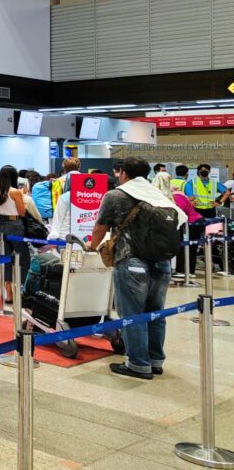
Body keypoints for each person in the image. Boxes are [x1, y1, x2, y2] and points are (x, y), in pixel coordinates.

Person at [90, 157, 184, 379]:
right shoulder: (158, 195)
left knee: (132, 314)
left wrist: (92, 247)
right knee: (156, 312)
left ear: (123, 173)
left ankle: (138, 364)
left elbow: (100, 227)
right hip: (162, 263)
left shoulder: (116, 195)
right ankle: (155, 359)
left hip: (131, 261)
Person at [0, 165, 27, 305]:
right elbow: (22, 212)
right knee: (23, 258)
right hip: (14, 225)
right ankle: (23, 291)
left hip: (0, 225)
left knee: (6, 259)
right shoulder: (15, 192)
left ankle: (8, 293)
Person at [173, 191, 202, 279]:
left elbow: (181, 210)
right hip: (194, 221)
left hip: (191, 223)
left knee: (183, 246)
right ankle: (190, 271)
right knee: (191, 247)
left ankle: (182, 270)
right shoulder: (178, 195)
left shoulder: (175, 196)